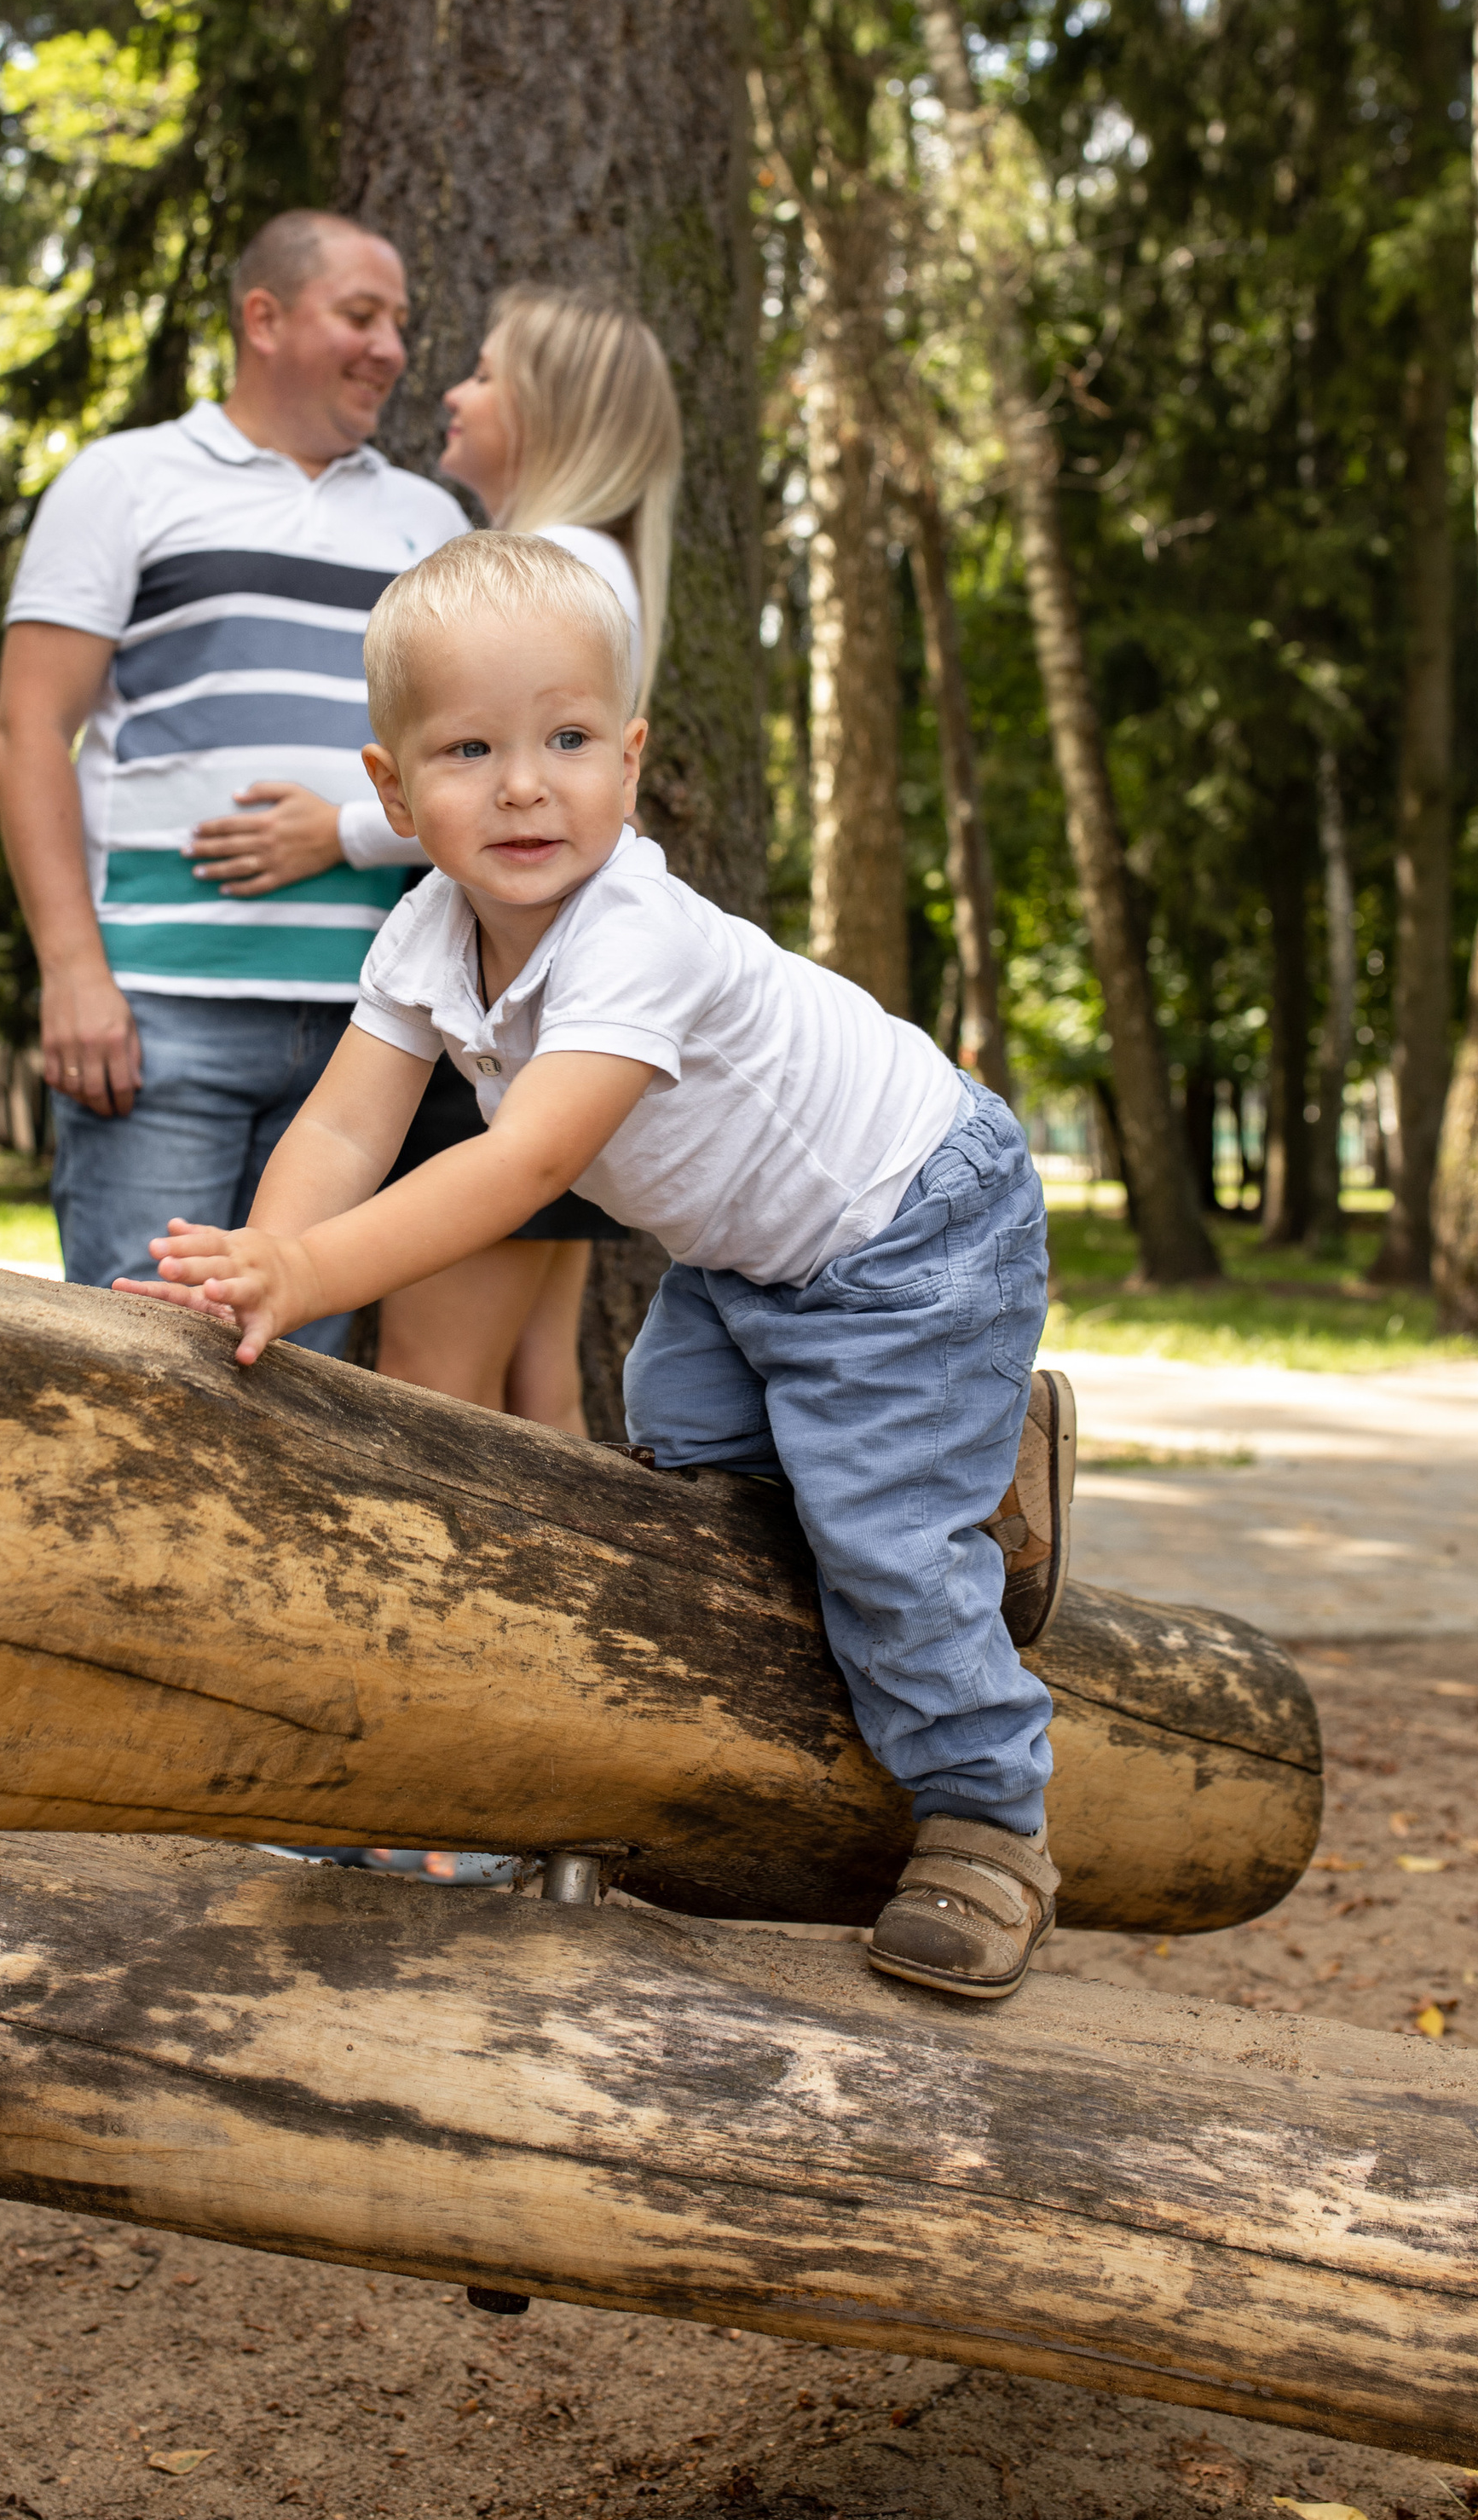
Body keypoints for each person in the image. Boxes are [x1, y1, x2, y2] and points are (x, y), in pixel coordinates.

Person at [118, 532, 1072, 2004]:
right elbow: (346, 1124)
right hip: (756, 1263)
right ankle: (979, 1467)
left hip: (913, 1228)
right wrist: (260, 1259)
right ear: (393, 792)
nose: (524, 785)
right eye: (470, 749)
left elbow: (525, 1164)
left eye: (566, 740)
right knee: (682, 1477)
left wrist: (309, 1275)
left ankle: (990, 1821)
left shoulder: (634, 932)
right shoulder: (429, 933)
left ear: (629, 764)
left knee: (881, 1538)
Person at [0, 209, 464, 1337]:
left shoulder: (431, 521)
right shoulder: (125, 480)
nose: (391, 349)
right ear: (264, 318)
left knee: (301, 1381)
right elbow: (26, 731)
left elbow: (469, 756)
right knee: (141, 1363)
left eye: (399, 322)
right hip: (158, 1020)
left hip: (373, 1032)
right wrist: (72, 972)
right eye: (361, 315)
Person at [360, 287, 682, 1435]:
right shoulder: (600, 564)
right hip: (561, 1001)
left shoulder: (547, 567)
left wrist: (329, 829)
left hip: (508, 997)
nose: (454, 391)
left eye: (487, 373)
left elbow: (471, 779)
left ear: (553, 414)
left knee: (432, 1378)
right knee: (540, 1387)